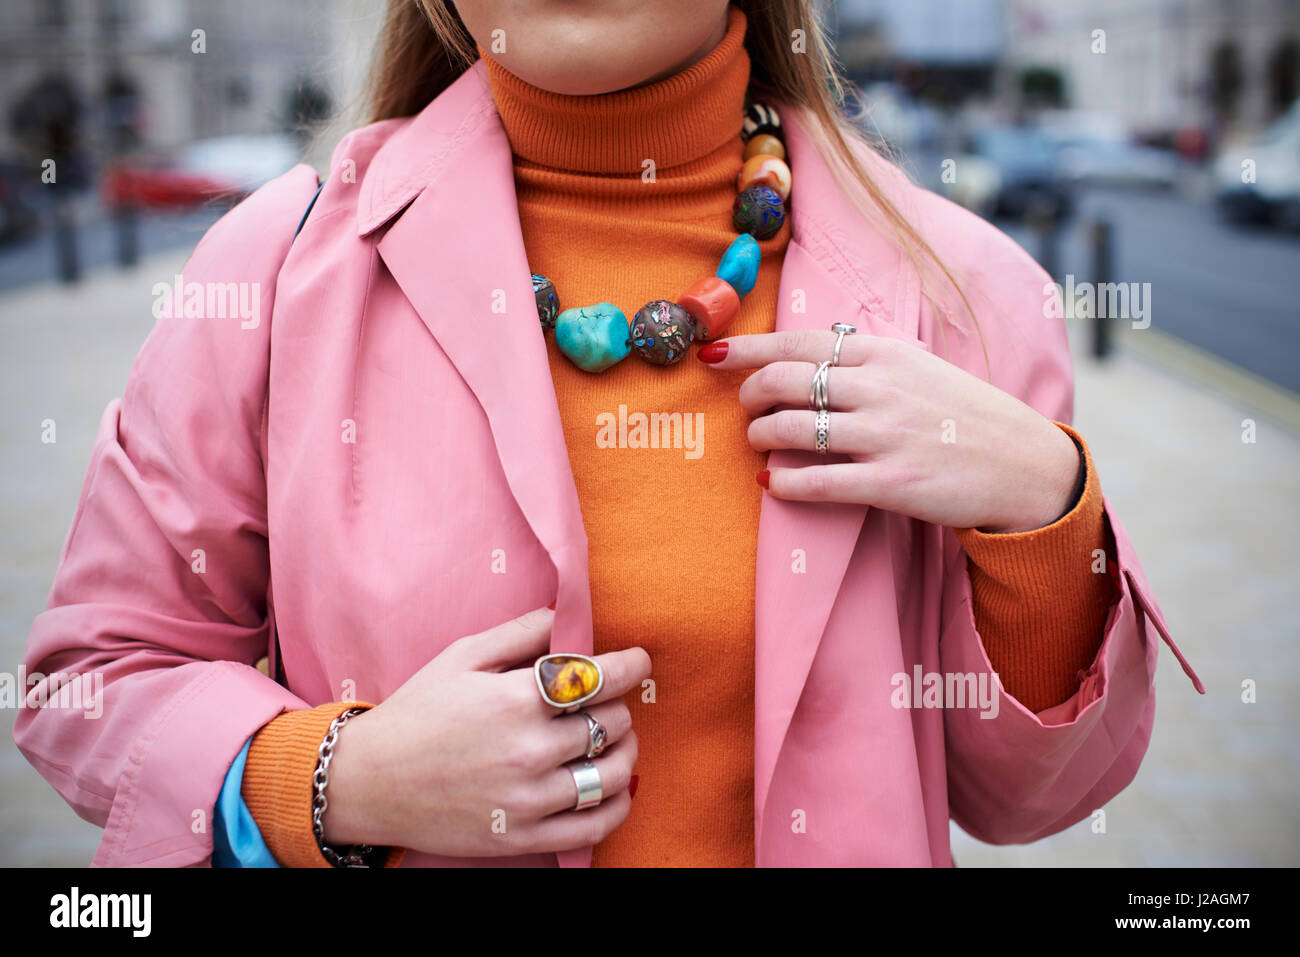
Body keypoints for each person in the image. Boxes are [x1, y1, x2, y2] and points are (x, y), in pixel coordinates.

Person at [14, 0, 1202, 868]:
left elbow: (1035, 797)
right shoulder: (270, 274)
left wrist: (1047, 513)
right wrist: (334, 780)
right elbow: (90, 686)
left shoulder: (964, 288)